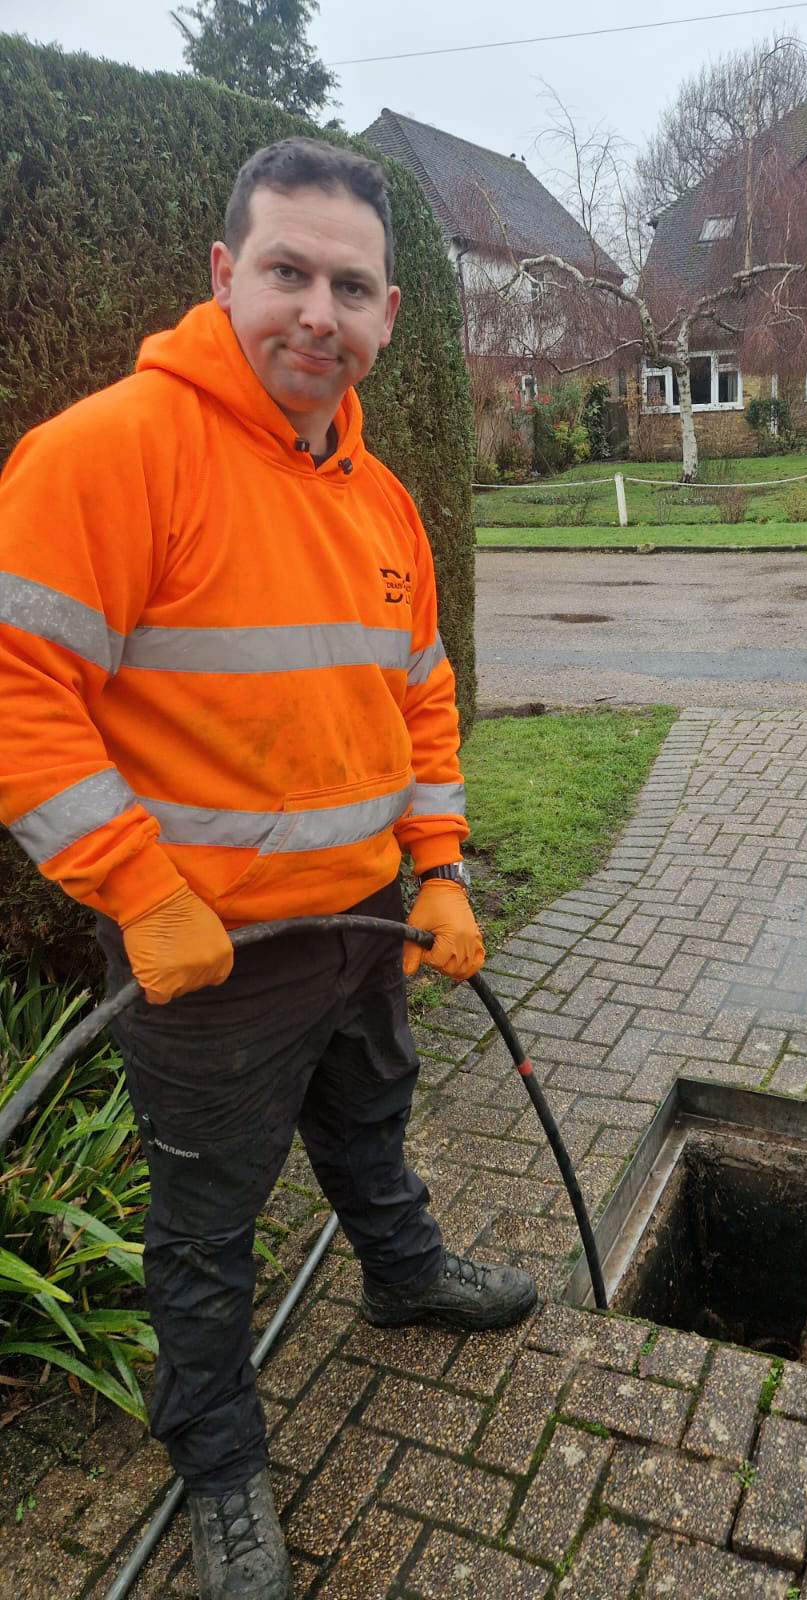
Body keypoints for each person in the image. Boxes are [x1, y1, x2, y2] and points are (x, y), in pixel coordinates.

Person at [0, 136, 535, 1599]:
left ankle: (403, 1276)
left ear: (389, 316)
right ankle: (221, 1465)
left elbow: (419, 697)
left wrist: (439, 868)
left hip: (365, 924)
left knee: (372, 1123)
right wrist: (138, 889)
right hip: (208, 958)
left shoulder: (384, 501)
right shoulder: (111, 453)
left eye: (350, 287)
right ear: (224, 274)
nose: (318, 311)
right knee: (206, 1230)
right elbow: (18, 691)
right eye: (287, 272)